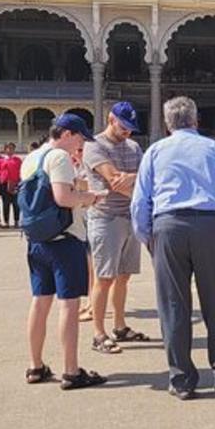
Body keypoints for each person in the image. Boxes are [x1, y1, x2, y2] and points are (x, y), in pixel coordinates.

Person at [131, 96, 215, 400]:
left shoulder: (155, 151)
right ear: (196, 121)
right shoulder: (214, 149)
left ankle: (181, 379)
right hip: (210, 226)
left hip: (167, 226)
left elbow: (140, 201)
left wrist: (148, 237)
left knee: (173, 305)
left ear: (167, 124)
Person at [21, 113, 106, 391]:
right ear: (67, 134)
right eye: (80, 137)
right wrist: (89, 198)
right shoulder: (58, 157)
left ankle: (35, 365)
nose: (81, 143)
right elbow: (63, 198)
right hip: (63, 240)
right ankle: (71, 370)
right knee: (68, 304)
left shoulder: (32, 157)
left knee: (40, 301)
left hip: (37, 240)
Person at [82, 101, 150, 355]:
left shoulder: (133, 146)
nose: (127, 132)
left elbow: (147, 179)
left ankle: (120, 326)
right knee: (104, 277)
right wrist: (135, 178)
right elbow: (114, 181)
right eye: (123, 126)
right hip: (105, 218)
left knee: (124, 276)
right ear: (111, 119)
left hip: (129, 216)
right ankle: (99, 333)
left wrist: (133, 178)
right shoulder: (95, 145)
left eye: (131, 128)